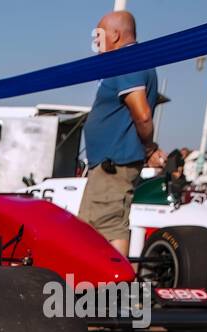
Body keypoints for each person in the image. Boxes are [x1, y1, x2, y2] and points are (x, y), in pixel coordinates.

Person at [77, 9, 163, 254]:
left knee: (108, 226)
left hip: (113, 164)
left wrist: (148, 146)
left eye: (99, 36)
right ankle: (104, 288)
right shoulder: (133, 61)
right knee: (97, 225)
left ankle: (113, 290)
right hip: (109, 163)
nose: (96, 42)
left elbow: (142, 114)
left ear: (115, 35)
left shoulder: (127, 61)